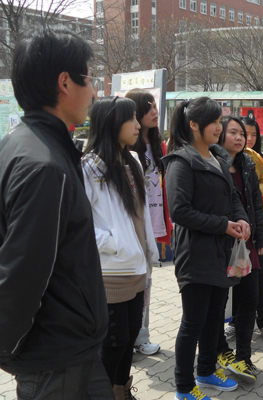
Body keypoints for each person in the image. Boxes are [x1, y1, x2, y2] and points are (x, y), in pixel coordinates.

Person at [0, 26, 113, 398]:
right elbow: (23, 273)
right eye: (89, 79)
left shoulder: (23, 143)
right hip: (54, 357)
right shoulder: (44, 166)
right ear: (65, 83)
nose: (93, 91)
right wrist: (7, 346)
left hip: (66, 348)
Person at [163, 97, 250, 400]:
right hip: (196, 254)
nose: (219, 127)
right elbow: (179, 211)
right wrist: (223, 225)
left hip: (221, 251)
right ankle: (184, 388)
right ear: (193, 125)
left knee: (214, 319)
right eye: (213, 122)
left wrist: (241, 218)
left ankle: (206, 371)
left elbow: (232, 196)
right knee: (193, 323)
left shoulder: (216, 156)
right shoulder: (181, 162)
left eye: (219, 121)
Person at [83, 96, 160, 399]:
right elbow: (79, 224)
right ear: (112, 123)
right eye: (131, 119)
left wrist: (146, 250)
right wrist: (113, 244)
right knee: (113, 344)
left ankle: (121, 392)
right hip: (110, 273)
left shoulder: (134, 161)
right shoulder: (90, 167)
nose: (137, 125)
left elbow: (141, 216)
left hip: (136, 268)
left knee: (129, 340)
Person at [213, 116, 263, 382]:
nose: (240, 138)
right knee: (219, 301)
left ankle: (244, 356)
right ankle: (219, 350)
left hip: (247, 244)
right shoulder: (212, 163)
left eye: (242, 134)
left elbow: (256, 203)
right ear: (219, 134)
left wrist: (261, 238)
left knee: (249, 298)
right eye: (233, 132)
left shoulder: (248, 163)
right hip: (221, 243)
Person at [126, 88, 173, 356]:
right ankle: (128, 338)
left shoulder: (159, 146)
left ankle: (140, 337)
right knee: (130, 285)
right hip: (131, 227)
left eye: (155, 106)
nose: (155, 112)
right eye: (149, 107)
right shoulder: (126, 147)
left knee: (146, 283)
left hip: (152, 225)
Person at [224, 117, 263, 345]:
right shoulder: (216, 161)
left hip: (253, 229)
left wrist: (252, 189)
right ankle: (234, 322)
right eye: (236, 133)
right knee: (234, 279)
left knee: (257, 278)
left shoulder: (254, 160)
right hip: (229, 232)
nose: (245, 138)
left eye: (249, 134)